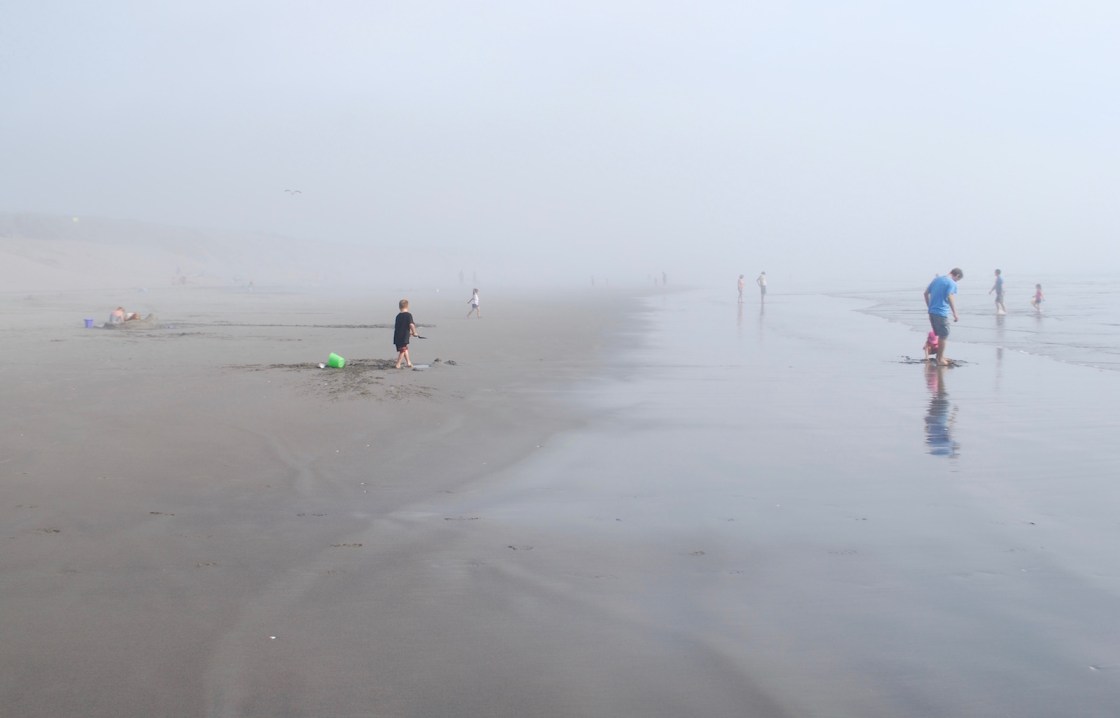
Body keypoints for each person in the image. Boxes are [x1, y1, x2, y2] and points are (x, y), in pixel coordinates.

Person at [923, 268, 963, 366]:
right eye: (957, 280)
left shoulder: (937, 279)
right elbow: (950, 296)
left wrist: (930, 308)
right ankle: (940, 358)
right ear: (957, 276)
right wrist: (955, 313)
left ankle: (940, 356)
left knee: (941, 335)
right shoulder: (951, 283)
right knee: (944, 334)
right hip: (941, 313)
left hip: (932, 313)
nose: (956, 281)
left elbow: (925, 293)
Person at [393, 299, 418, 369]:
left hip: (397, 335)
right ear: (408, 306)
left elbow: (400, 326)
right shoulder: (408, 315)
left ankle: (408, 362)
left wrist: (409, 332)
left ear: (399, 307)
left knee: (404, 348)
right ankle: (398, 364)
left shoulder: (398, 316)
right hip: (404, 336)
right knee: (403, 350)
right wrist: (414, 332)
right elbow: (411, 324)